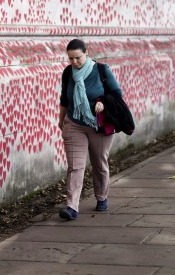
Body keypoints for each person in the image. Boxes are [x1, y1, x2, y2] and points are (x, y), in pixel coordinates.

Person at [57, 39, 123, 220]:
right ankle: (72, 206)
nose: (74, 62)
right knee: (75, 166)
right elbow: (65, 98)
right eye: (70, 59)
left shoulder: (102, 70)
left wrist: (103, 102)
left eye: (77, 58)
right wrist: (61, 120)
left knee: (99, 163)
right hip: (74, 124)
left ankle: (102, 197)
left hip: (98, 125)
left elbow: (116, 94)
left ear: (87, 52)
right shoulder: (68, 73)